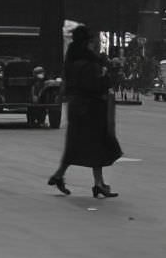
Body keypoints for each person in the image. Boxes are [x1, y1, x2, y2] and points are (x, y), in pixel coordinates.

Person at [48, 24, 122, 198]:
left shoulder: (71, 59)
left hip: (76, 107)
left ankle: (62, 175)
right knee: (98, 144)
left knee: (75, 144)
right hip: (91, 107)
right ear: (87, 42)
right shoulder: (88, 63)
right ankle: (98, 184)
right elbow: (96, 84)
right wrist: (105, 77)